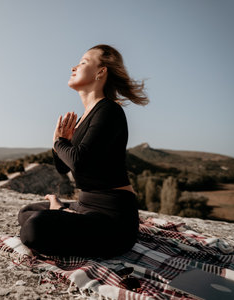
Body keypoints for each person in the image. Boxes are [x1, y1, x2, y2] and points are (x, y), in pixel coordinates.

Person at [17, 44, 149, 258]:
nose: (73, 67)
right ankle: (61, 211)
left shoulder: (109, 110)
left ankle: (59, 211)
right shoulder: (83, 118)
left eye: (83, 62)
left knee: (34, 228)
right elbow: (63, 166)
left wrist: (59, 142)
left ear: (101, 71)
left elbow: (80, 162)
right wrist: (60, 144)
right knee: (26, 212)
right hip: (85, 206)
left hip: (112, 219)